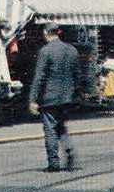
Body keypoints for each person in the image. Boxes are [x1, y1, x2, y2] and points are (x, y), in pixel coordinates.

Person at [29, 23, 80, 171]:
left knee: (50, 129)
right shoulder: (72, 50)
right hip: (66, 97)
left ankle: (53, 163)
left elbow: (39, 77)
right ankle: (68, 148)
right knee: (60, 125)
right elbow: (77, 75)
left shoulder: (45, 52)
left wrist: (33, 99)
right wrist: (77, 93)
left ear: (46, 33)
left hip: (49, 98)